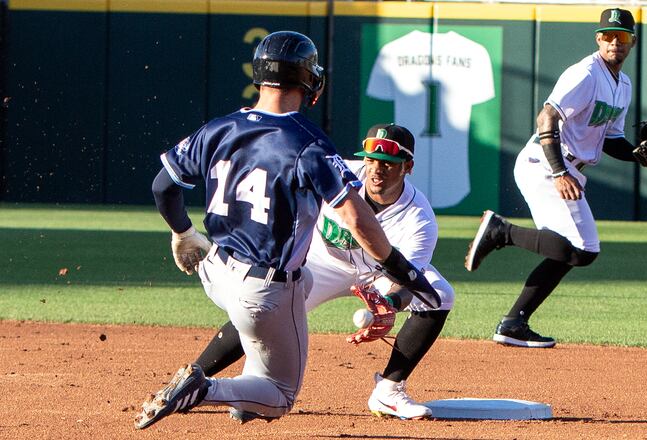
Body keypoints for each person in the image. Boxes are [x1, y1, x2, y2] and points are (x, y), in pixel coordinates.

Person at [136, 31, 438, 429]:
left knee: (303, 281)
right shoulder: (308, 143)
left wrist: (182, 232)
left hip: (215, 269)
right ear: (309, 81)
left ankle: (240, 385)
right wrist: (403, 271)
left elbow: (163, 186)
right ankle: (205, 388)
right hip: (263, 288)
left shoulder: (219, 128)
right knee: (279, 395)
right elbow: (357, 218)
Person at [193, 123, 453, 421]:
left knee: (440, 295)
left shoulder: (419, 218)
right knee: (261, 305)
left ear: (408, 167)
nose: (377, 170)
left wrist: (389, 305)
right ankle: (194, 377)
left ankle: (389, 391)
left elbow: (408, 282)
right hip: (319, 262)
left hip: (379, 275)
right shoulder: (339, 175)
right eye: (371, 160)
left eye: (389, 164)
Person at [465, 9, 647, 348]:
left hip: (565, 167)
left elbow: (610, 138)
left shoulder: (622, 85)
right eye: (607, 35)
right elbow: (545, 117)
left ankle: (512, 323)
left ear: (632, 42)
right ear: (598, 39)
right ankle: (500, 232)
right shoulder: (585, 74)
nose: (614, 42)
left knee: (569, 250)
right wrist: (559, 171)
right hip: (546, 164)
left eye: (621, 36)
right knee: (584, 249)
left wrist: (637, 154)